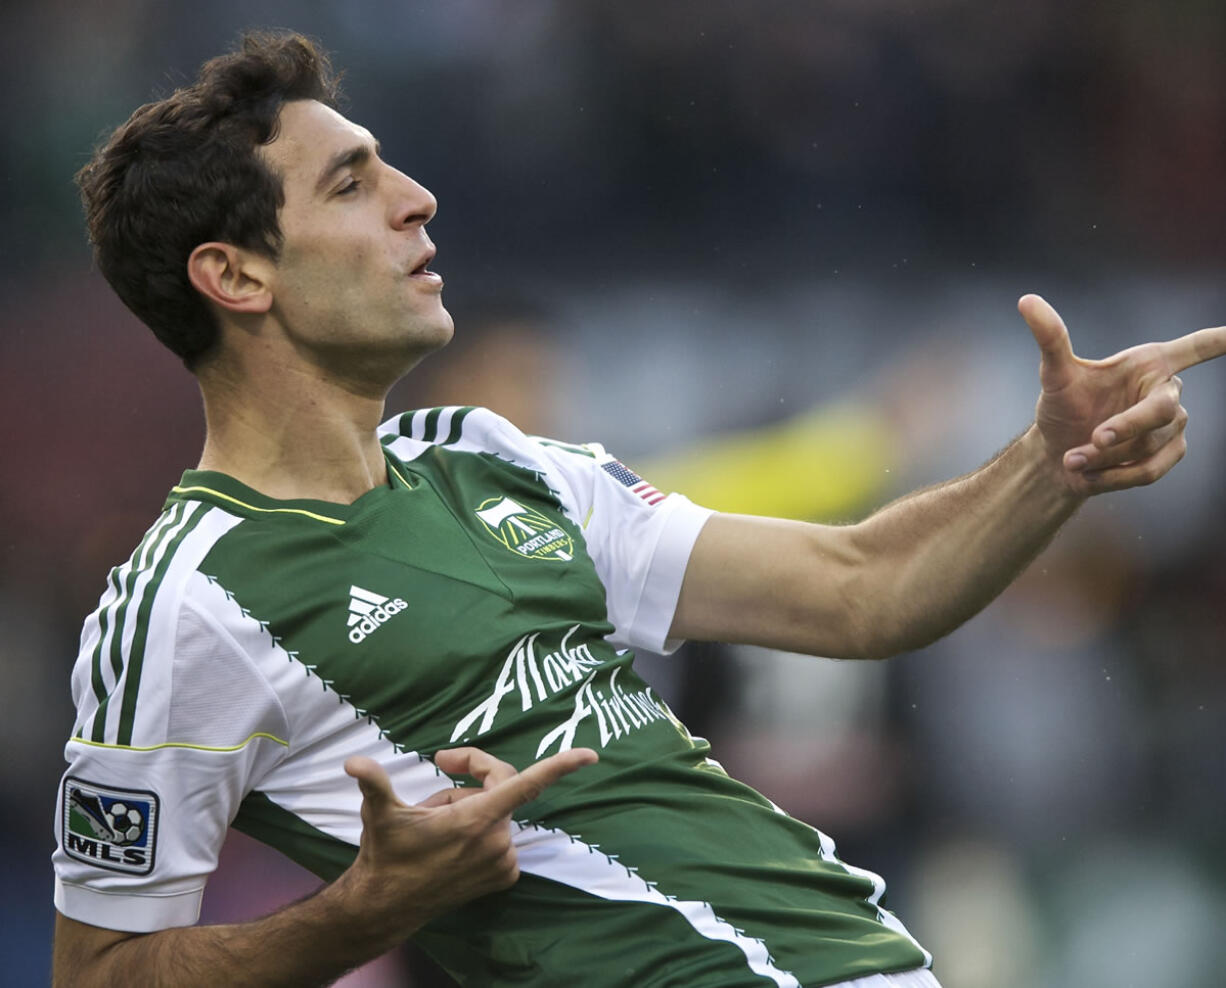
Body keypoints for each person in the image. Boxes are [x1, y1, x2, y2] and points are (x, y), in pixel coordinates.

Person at [51, 31, 1224, 988]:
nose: (416, 200)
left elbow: (863, 585)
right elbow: (101, 971)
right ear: (237, 275)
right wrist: (358, 912)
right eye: (351, 183)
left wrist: (1048, 463)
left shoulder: (492, 462)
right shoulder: (185, 602)